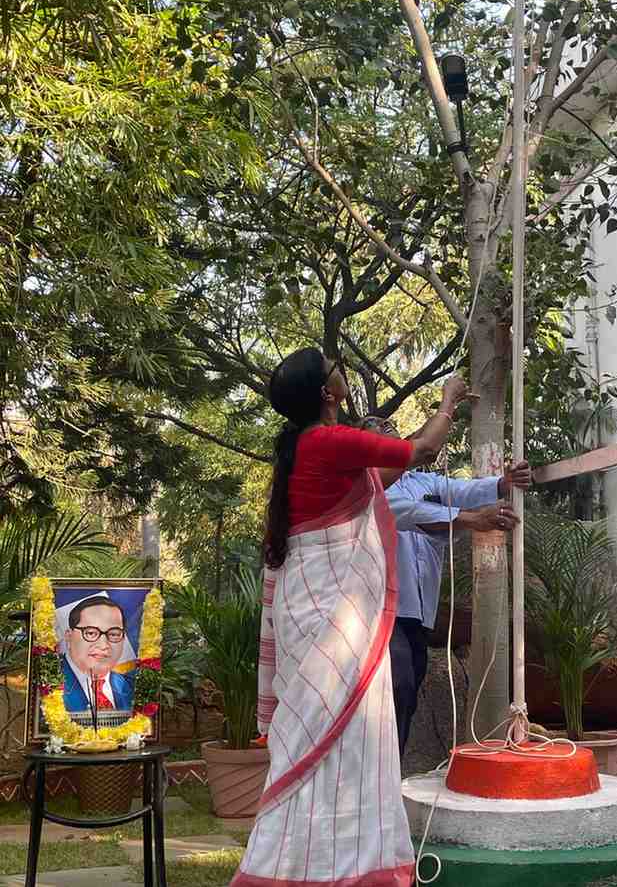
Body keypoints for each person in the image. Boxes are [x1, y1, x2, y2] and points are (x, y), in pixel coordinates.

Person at [230, 348, 466, 887]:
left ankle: (324, 862)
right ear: (327, 393)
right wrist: (449, 400)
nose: (341, 369)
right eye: (334, 366)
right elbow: (421, 449)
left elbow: (379, 476)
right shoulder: (330, 441)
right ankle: (326, 867)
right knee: (347, 734)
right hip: (337, 622)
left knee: (325, 736)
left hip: (308, 615)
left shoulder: (306, 449)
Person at [360, 414, 532, 757]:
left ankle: (387, 774)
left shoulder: (423, 481)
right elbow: (407, 512)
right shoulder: (363, 483)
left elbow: (461, 490)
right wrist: (470, 519)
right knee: (397, 685)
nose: (384, 424)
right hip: (379, 609)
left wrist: (503, 482)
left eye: (388, 422)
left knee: (407, 695)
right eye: (374, 425)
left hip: (418, 612)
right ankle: (373, 774)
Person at [62, 596, 134, 713]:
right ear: (69, 637)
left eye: (114, 634)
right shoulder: (47, 684)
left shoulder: (133, 687)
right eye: (90, 633)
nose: (103, 645)